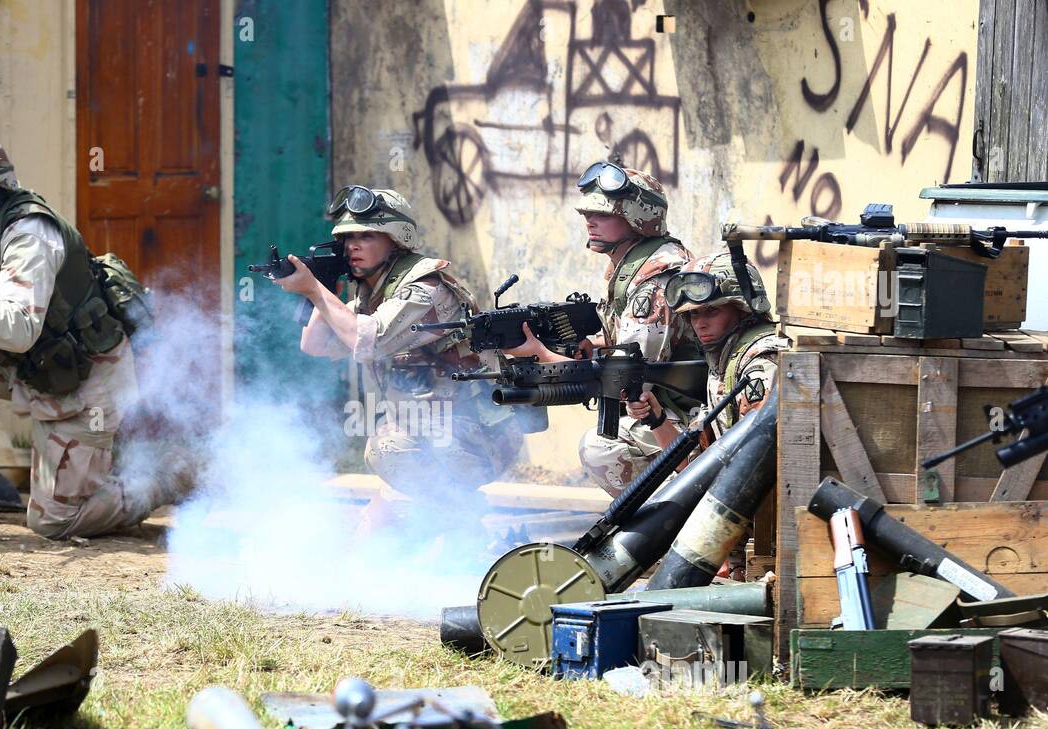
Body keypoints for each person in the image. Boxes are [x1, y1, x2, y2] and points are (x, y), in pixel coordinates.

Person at [0, 133, 172, 538]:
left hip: (84, 386)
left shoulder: (28, 234)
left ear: (2, 183)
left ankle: (165, 479)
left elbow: (19, 328)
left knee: (55, 521)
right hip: (32, 369)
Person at [276, 185, 522, 542]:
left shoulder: (423, 289)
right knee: (367, 547)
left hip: (479, 434)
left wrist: (315, 290)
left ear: (395, 240)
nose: (353, 246)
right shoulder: (374, 290)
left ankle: (462, 515)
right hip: (430, 433)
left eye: (367, 236)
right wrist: (326, 284)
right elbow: (314, 345)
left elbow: (369, 341)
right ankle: (445, 515)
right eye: (347, 238)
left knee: (385, 447)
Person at [501, 162, 698, 496]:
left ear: (637, 217)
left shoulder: (657, 277)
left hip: (687, 417)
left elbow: (629, 377)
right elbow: (627, 340)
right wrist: (593, 344)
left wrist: (543, 356)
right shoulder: (630, 266)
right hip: (664, 407)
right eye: (587, 214)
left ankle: (678, 515)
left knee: (601, 449)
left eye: (603, 215)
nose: (589, 222)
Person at [625, 249, 789, 578]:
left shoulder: (761, 363)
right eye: (691, 314)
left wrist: (717, 547)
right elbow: (698, 467)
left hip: (768, 530)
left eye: (711, 310)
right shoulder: (723, 361)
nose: (699, 322)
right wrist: (656, 418)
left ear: (743, 307)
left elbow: (754, 469)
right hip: (738, 516)